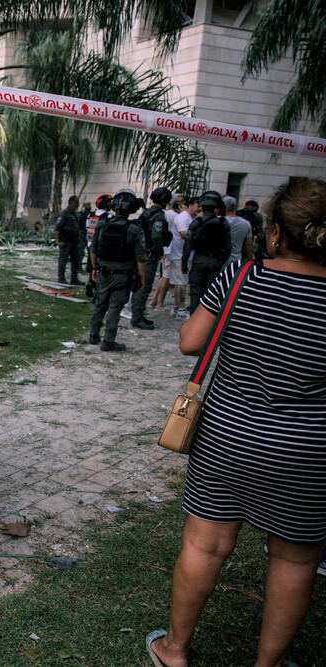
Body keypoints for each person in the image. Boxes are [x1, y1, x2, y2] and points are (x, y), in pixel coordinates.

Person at [147, 177, 326, 667]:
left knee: (205, 544)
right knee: (294, 559)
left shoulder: (242, 276)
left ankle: (174, 649)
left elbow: (190, 341)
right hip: (308, 450)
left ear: (275, 233)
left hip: (228, 436)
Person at [88, 190, 146, 351]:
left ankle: (93, 336)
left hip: (104, 272)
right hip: (122, 276)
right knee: (114, 308)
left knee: (100, 305)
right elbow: (140, 257)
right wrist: (142, 277)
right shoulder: (133, 229)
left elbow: (93, 249)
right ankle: (108, 341)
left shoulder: (102, 224)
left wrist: (95, 268)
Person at [130, 186, 172, 330]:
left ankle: (138, 313)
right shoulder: (158, 216)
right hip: (149, 254)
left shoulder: (146, 213)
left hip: (140, 252)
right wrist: (159, 251)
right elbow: (156, 236)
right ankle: (137, 317)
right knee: (144, 285)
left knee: (140, 284)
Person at [182, 191, 231, 313]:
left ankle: (194, 315)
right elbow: (228, 246)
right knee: (211, 293)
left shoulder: (197, 223)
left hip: (199, 259)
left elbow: (188, 244)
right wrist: (220, 260)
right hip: (215, 260)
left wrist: (184, 263)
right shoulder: (223, 223)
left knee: (195, 291)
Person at [54, 196, 82, 285]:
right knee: (63, 260)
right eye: (76, 203)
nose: (78, 205)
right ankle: (61, 279)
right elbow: (57, 228)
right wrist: (58, 241)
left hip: (74, 241)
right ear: (71, 203)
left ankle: (74, 279)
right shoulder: (64, 214)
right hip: (65, 241)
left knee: (75, 261)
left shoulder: (75, 214)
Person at [221, 195, 253, 265]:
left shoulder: (218, 221)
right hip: (236, 262)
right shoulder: (246, 224)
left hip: (219, 260)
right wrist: (250, 261)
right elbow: (248, 245)